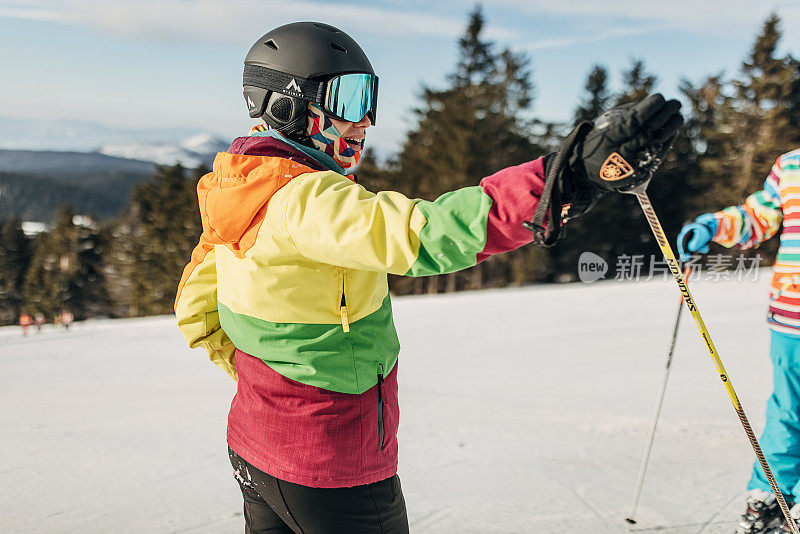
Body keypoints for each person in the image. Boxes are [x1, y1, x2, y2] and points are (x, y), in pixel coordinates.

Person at [175, 21, 683, 534]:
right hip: (328, 464)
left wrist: (268, 382)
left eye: (370, 98)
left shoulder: (239, 189)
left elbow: (195, 308)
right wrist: (565, 177)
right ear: (286, 105)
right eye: (349, 99)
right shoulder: (306, 202)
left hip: (257, 449)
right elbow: (426, 234)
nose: (366, 121)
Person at [679, 149, 800, 533]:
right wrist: (713, 226)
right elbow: (759, 216)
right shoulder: (791, 165)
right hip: (791, 314)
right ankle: (772, 494)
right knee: (787, 409)